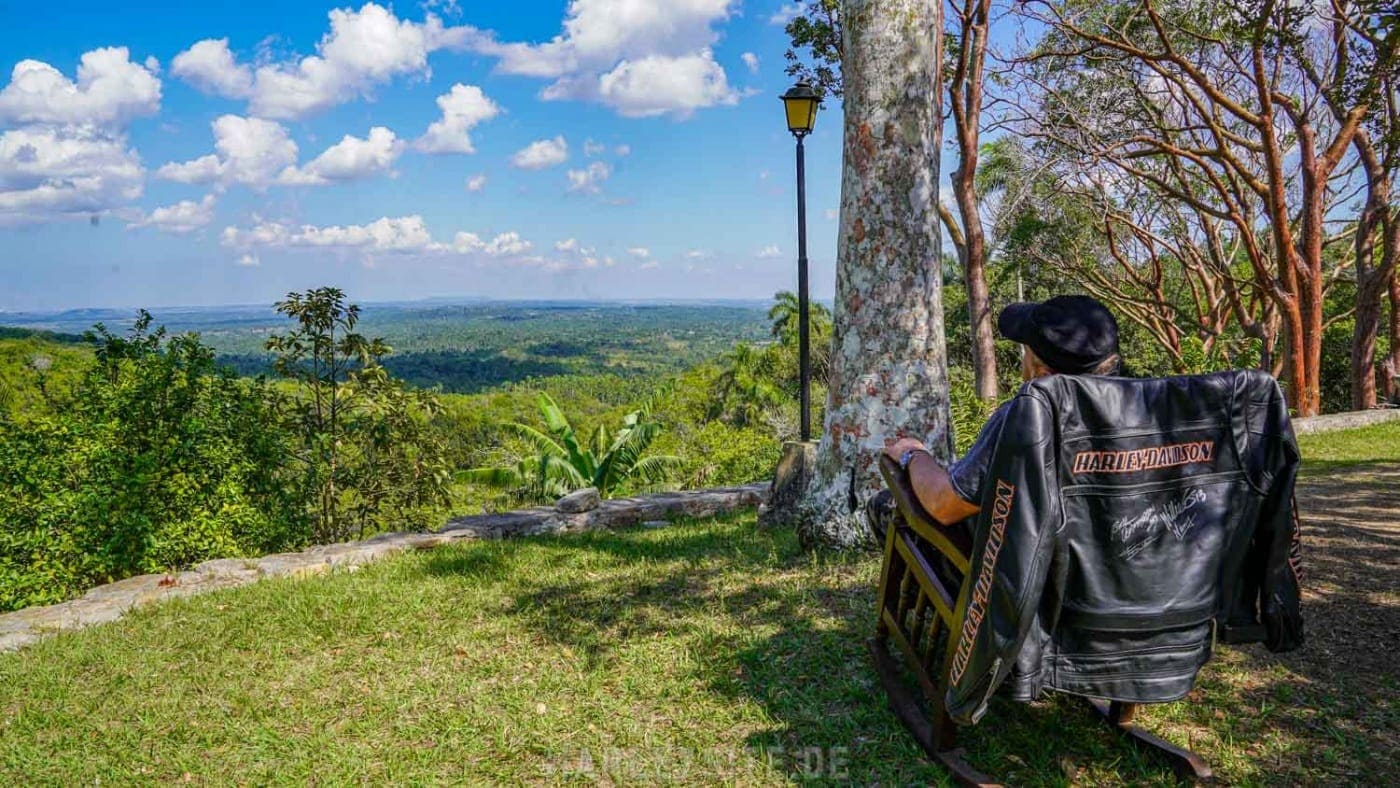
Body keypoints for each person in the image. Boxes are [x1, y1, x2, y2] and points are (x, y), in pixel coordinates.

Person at [867, 295, 1122, 543]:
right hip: (1114, 559)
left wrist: (913, 454)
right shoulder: (1137, 414)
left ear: (1042, 374)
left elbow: (944, 505)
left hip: (1028, 565)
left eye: (1026, 353)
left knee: (883, 505)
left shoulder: (1024, 421)